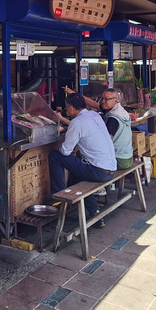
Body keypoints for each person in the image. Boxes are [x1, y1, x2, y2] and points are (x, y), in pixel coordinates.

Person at [49, 93, 117, 221]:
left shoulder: (76, 123)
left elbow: (65, 152)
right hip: (111, 168)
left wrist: (66, 138)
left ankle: (58, 194)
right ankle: (95, 211)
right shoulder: (95, 115)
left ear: (71, 108)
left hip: (99, 171)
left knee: (55, 156)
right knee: (75, 178)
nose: (67, 111)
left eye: (67, 108)